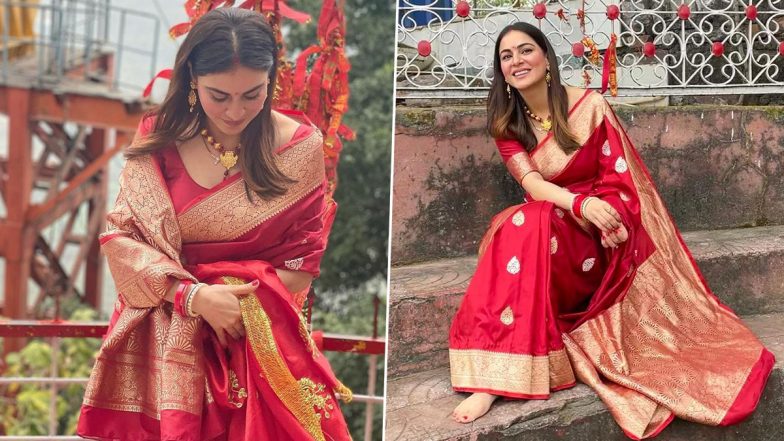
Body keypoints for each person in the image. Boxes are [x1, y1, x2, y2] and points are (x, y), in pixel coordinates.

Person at [448, 22, 774, 439]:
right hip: (553, 230)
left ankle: (501, 371)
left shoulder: (589, 106)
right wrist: (578, 202)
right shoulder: (506, 122)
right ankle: (493, 379)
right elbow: (531, 185)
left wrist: (603, 214)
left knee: (527, 223)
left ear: (546, 58)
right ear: (501, 71)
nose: (516, 61)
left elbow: (621, 180)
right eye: (506, 56)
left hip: (602, 234)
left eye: (525, 50)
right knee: (522, 220)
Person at [77, 8, 352, 441]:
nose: (235, 111)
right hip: (162, 336)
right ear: (192, 80)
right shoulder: (159, 136)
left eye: (252, 94)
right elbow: (122, 239)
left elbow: (301, 265)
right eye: (219, 95)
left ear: (270, 81)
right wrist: (194, 296)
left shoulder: (299, 149)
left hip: (252, 340)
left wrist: (229, 301)